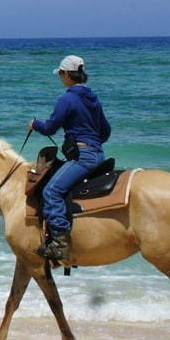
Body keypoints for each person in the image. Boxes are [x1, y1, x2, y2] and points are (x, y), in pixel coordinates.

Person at [26, 55, 112, 261]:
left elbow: (50, 127)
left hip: (83, 157)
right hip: (98, 153)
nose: (60, 78)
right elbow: (106, 131)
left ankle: (60, 245)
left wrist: (34, 124)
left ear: (66, 74)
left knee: (51, 191)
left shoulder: (67, 99)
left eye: (61, 75)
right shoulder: (93, 98)